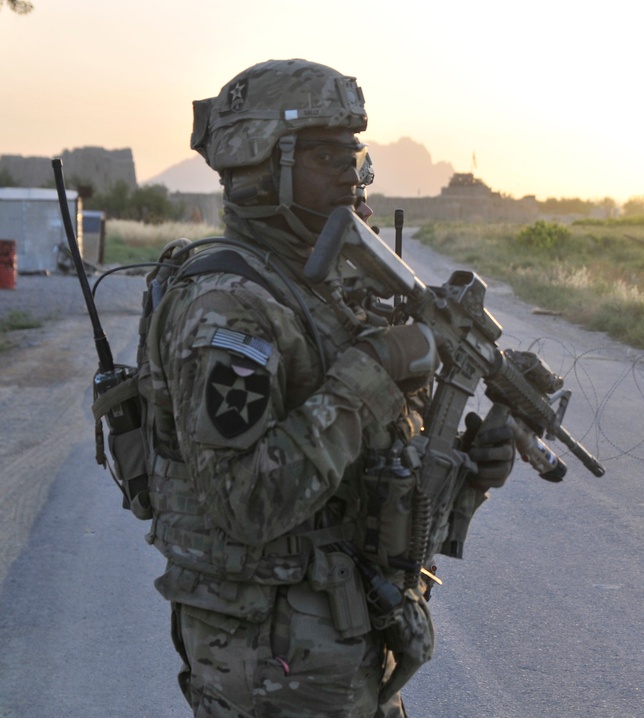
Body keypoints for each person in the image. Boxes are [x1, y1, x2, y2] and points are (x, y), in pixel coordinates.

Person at [141, 58, 515, 718]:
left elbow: (371, 479)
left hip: (343, 640)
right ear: (259, 167)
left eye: (355, 154)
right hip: (267, 655)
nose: (352, 172)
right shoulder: (226, 306)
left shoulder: (331, 294)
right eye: (325, 155)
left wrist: (467, 469)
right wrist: (373, 372)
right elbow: (248, 504)